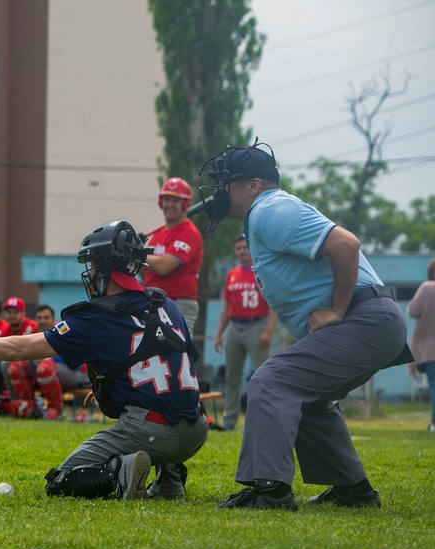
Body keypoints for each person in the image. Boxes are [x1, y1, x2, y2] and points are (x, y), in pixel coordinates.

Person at [198, 140, 412, 511]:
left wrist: (336, 310)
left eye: (226, 182)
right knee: (307, 395)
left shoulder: (271, 207)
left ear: (253, 185)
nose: (219, 191)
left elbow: (346, 244)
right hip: (371, 321)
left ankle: (270, 491)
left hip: (364, 319)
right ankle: (353, 490)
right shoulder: (260, 217)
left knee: (271, 380)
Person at [0, 220, 208, 500]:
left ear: (106, 266)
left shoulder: (96, 317)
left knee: (61, 480)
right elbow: (176, 366)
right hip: (196, 430)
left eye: (94, 264)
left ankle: (124, 470)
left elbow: (18, 350)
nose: (91, 272)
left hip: (151, 432)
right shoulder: (165, 303)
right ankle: (169, 481)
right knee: (169, 410)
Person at [212, 235, 277, 431]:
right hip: (235, 326)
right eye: (238, 248)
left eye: (244, 247)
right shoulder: (232, 275)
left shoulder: (262, 271)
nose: (241, 251)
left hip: (256, 325)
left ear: (250, 249)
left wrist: (268, 330)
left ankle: (266, 419)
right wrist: (218, 334)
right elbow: (226, 307)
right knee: (232, 377)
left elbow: (274, 303)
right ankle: (229, 421)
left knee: (264, 375)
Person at [138, 178, 204, 333]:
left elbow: (162, 267)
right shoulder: (157, 236)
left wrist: (137, 253)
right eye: (167, 199)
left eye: (175, 200)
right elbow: (147, 273)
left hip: (178, 304)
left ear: (185, 204)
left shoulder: (188, 232)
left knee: (179, 352)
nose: (170, 204)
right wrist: (136, 256)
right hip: (153, 302)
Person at [0, 296, 37, 417]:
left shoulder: (31, 326)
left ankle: (14, 404)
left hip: (31, 367)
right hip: (11, 366)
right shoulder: (5, 329)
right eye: (9, 312)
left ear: (23, 313)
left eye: (16, 312)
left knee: (6, 364)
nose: (12, 315)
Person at [407, 259, 435, 433]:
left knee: (434, 385)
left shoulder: (427, 288)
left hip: (430, 350)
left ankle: (434, 424)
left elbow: (412, 311)